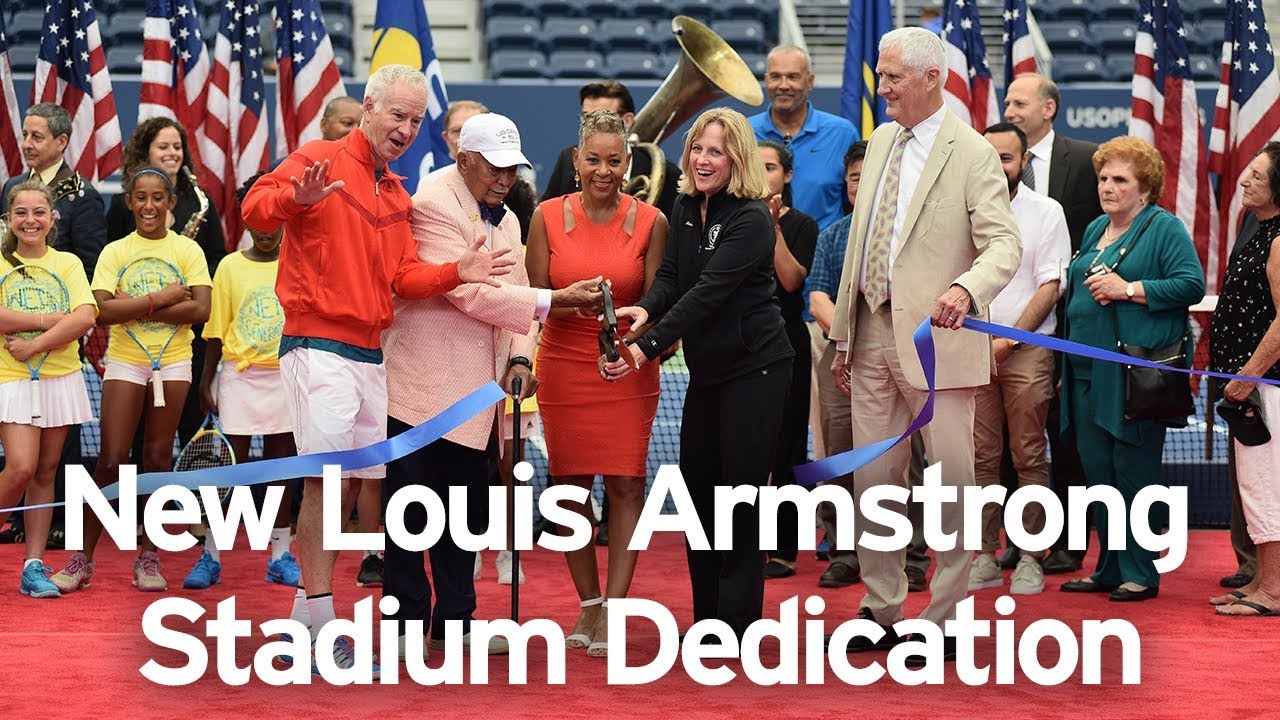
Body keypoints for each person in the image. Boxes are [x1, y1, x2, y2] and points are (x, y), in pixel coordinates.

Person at [241, 64, 516, 675]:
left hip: (371, 355)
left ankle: (304, 622)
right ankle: (323, 622)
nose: (407, 128)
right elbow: (256, 211)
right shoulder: (316, 158)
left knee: (348, 488)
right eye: (398, 114)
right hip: (318, 343)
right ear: (368, 108)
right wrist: (296, 198)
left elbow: (402, 280)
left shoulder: (395, 193)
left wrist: (456, 273)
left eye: (417, 120)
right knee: (325, 481)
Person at [827, 27, 1021, 662]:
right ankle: (881, 607)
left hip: (940, 338)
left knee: (953, 486)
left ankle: (944, 618)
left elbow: (1005, 246)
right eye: (881, 75)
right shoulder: (881, 139)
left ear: (933, 79)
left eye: (892, 78)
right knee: (875, 483)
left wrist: (966, 290)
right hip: (870, 329)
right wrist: (844, 335)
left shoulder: (973, 152)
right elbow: (862, 242)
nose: (880, 87)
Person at [383, 112, 602, 661]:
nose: (507, 178)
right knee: (410, 512)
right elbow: (469, 295)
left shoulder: (507, 219)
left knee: (463, 513)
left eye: (514, 168)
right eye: (496, 168)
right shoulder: (432, 203)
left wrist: (523, 356)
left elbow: (519, 299)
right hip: (419, 388)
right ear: (465, 159)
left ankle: (453, 621)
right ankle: (405, 621)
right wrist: (557, 301)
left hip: (477, 396)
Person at [605, 107, 794, 638]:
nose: (703, 159)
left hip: (758, 371)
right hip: (710, 374)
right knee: (699, 495)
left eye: (716, 151)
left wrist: (645, 348)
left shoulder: (754, 218)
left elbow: (708, 294)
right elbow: (673, 277)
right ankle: (708, 616)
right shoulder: (686, 204)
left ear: (736, 157)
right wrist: (648, 307)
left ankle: (738, 622)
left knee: (741, 497)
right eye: (697, 149)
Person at [525, 109, 668, 656]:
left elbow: (657, 303)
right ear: (575, 160)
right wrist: (568, 301)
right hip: (561, 364)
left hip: (627, 367)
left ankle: (616, 605)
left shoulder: (653, 220)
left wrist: (633, 338)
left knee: (628, 483)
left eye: (614, 160)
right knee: (568, 490)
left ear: (628, 162)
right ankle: (587, 604)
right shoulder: (544, 215)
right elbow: (535, 299)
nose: (604, 170)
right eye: (593, 160)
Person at [50, 167, 213, 594]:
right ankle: (82, 560)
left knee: (158, 458)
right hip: (125, 360)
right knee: (110, 459)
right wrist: (162, 298)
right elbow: (102, 311)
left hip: (174, 362)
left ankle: (149, 557)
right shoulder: (116, 251)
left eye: (158, 197)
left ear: (171, 203)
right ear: (128, 202)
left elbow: (200, 312)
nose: (149, 206)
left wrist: (133, 304)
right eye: (140, 197)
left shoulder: (188, 251)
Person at [1057, 136, 1204, 602]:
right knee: (1097, 471)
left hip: (1130, 373)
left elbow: (1192, 285)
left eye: (1120, 179)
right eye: (1103, 177)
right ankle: (1109, 567)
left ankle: (1140, 572)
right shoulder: (1095, 227)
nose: (1108, 186)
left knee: (1132, 470)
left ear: (1145, 189)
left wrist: (1130, 288)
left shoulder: (1164, 228)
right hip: (1081, 369)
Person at [1004, 73, 1104, 574]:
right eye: (1006, 101)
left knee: (1065, 438)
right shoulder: (987, 171)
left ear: (1049, 108)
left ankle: (1066, 541)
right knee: (1006, 440)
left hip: (1077, 324)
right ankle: (1017, 537)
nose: (1010, 108)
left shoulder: (1087, 160)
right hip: (1015, 329)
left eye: (1019, 102)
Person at [968, 123, 1070, 596]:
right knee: (980, 459)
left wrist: (1006, 341)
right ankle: (985, 556)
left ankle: (1031, 555)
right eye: (989, 157)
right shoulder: (961, 212)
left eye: (1006, 158)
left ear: (1024, 162)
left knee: (1029, 456)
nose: (997, 166)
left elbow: (1050, 286)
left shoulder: (1047, 212)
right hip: (970, 355)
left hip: (1027, 353)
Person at [183, 172, 299, 591]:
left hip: (287, 378)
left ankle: (280, 555)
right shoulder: (229, 267)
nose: (266, 230)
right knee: (229, 471)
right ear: (245, 217)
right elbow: (216, 330)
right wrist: (206, 380)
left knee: (280, 470)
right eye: (257, 220)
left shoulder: (298, 261)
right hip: (238, 378)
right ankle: (211, 556)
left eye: (274, 219)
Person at [0, 103, 108, 549]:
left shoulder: (84, 197)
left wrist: (45, 333)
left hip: (61, 360)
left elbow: (87, 283)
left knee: (52, 464)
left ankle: (40, 552)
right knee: (22, 465)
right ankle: (19, 525)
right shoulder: (11, 187)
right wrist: (49, 319)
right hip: (12, 366)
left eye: (37, 136)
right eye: (24, 134)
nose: (27, 144)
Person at [0, 182, 96, 598]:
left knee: (45, 472)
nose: (30, 220)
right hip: (13, 379)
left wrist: (34, 344)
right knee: (20, 467)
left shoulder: (69, 263)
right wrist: (47, 320)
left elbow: (85, 316)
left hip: (60, 377)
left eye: (39, 212)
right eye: (21, 212)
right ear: (9, 219)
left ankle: (33, 566)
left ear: (52, 218)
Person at [1208, 143, 1280, 616]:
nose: (1244, 180)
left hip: (1266, 387)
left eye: (1256, 175)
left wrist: (1247, 376)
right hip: (1251, 385)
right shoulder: (1261, 228)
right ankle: (1260, 579)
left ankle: (1272, 592)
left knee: (1264, 484)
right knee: (1254, 485)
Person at [756, 139, 816, 580]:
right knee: (742, 451)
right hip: (742, 347)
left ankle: (784, 549)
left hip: (789, 345)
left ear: (787, 176)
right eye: (755, 166)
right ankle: (741, 542)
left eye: (771, 167)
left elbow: (792, 281)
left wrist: (772, 226)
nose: (764, 174)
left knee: (789, 449)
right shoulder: (728, 220)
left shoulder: (804, 225)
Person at [807, 141, 865, 588]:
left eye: (869, 176)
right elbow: (818, 297)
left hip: (898, 356)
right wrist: (848, 338)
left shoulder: (909, 236)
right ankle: (844, 552)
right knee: (837, 455)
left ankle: (911, 555)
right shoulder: (831, 236)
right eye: (853, 178)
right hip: (841, 355)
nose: (859, 185)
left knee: (907, 458)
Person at [748, 46, 859, 230]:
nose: (783, 85)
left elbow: (856, 202)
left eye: (793, 77)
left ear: (810, 81)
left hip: (823, 254)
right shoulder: (743, 132)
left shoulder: (842, 134)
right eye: (775, 76)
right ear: (766, 81)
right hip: (757, 252)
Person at [540, 81, 682, 220]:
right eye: (585, 118)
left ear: (627, 121)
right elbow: (548, 219)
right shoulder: (567, 159)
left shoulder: (665, 174)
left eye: (604, 117)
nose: (591, 126)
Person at [418, 100, 488, 192]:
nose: (464, 138)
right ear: (446, 138)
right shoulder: (429, 184)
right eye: (457, 131)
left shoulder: (506, 180)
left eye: (473, 130)